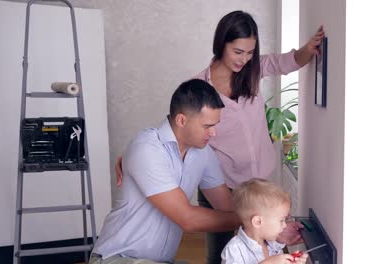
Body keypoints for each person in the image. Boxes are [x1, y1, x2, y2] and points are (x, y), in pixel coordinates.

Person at [116, 10, 325, 263]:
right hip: (223, 182)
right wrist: (133, 155)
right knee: (224, 253)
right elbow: (180, 124)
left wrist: (309, 48)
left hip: (257, 180)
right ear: (221, 44)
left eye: (250, 53)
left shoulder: (253, 71)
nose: (244, 59)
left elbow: (288, 61)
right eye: (238, 52)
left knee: (263, 249)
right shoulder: (200, 88)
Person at [90, 79, 242, 264]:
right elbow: (188, 219)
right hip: (116, 258)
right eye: (207, 126)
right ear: (181, 120)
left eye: (215, 125)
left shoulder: (204, 153)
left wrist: (266, 222)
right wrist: (250, 220)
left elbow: (227, 207)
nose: (213, 133)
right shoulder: (147, 148)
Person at [221, 178, 308, 264]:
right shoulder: (234, 251)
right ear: (258, 222)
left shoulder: (273, 243)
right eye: (281, 220)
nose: (285, 225)